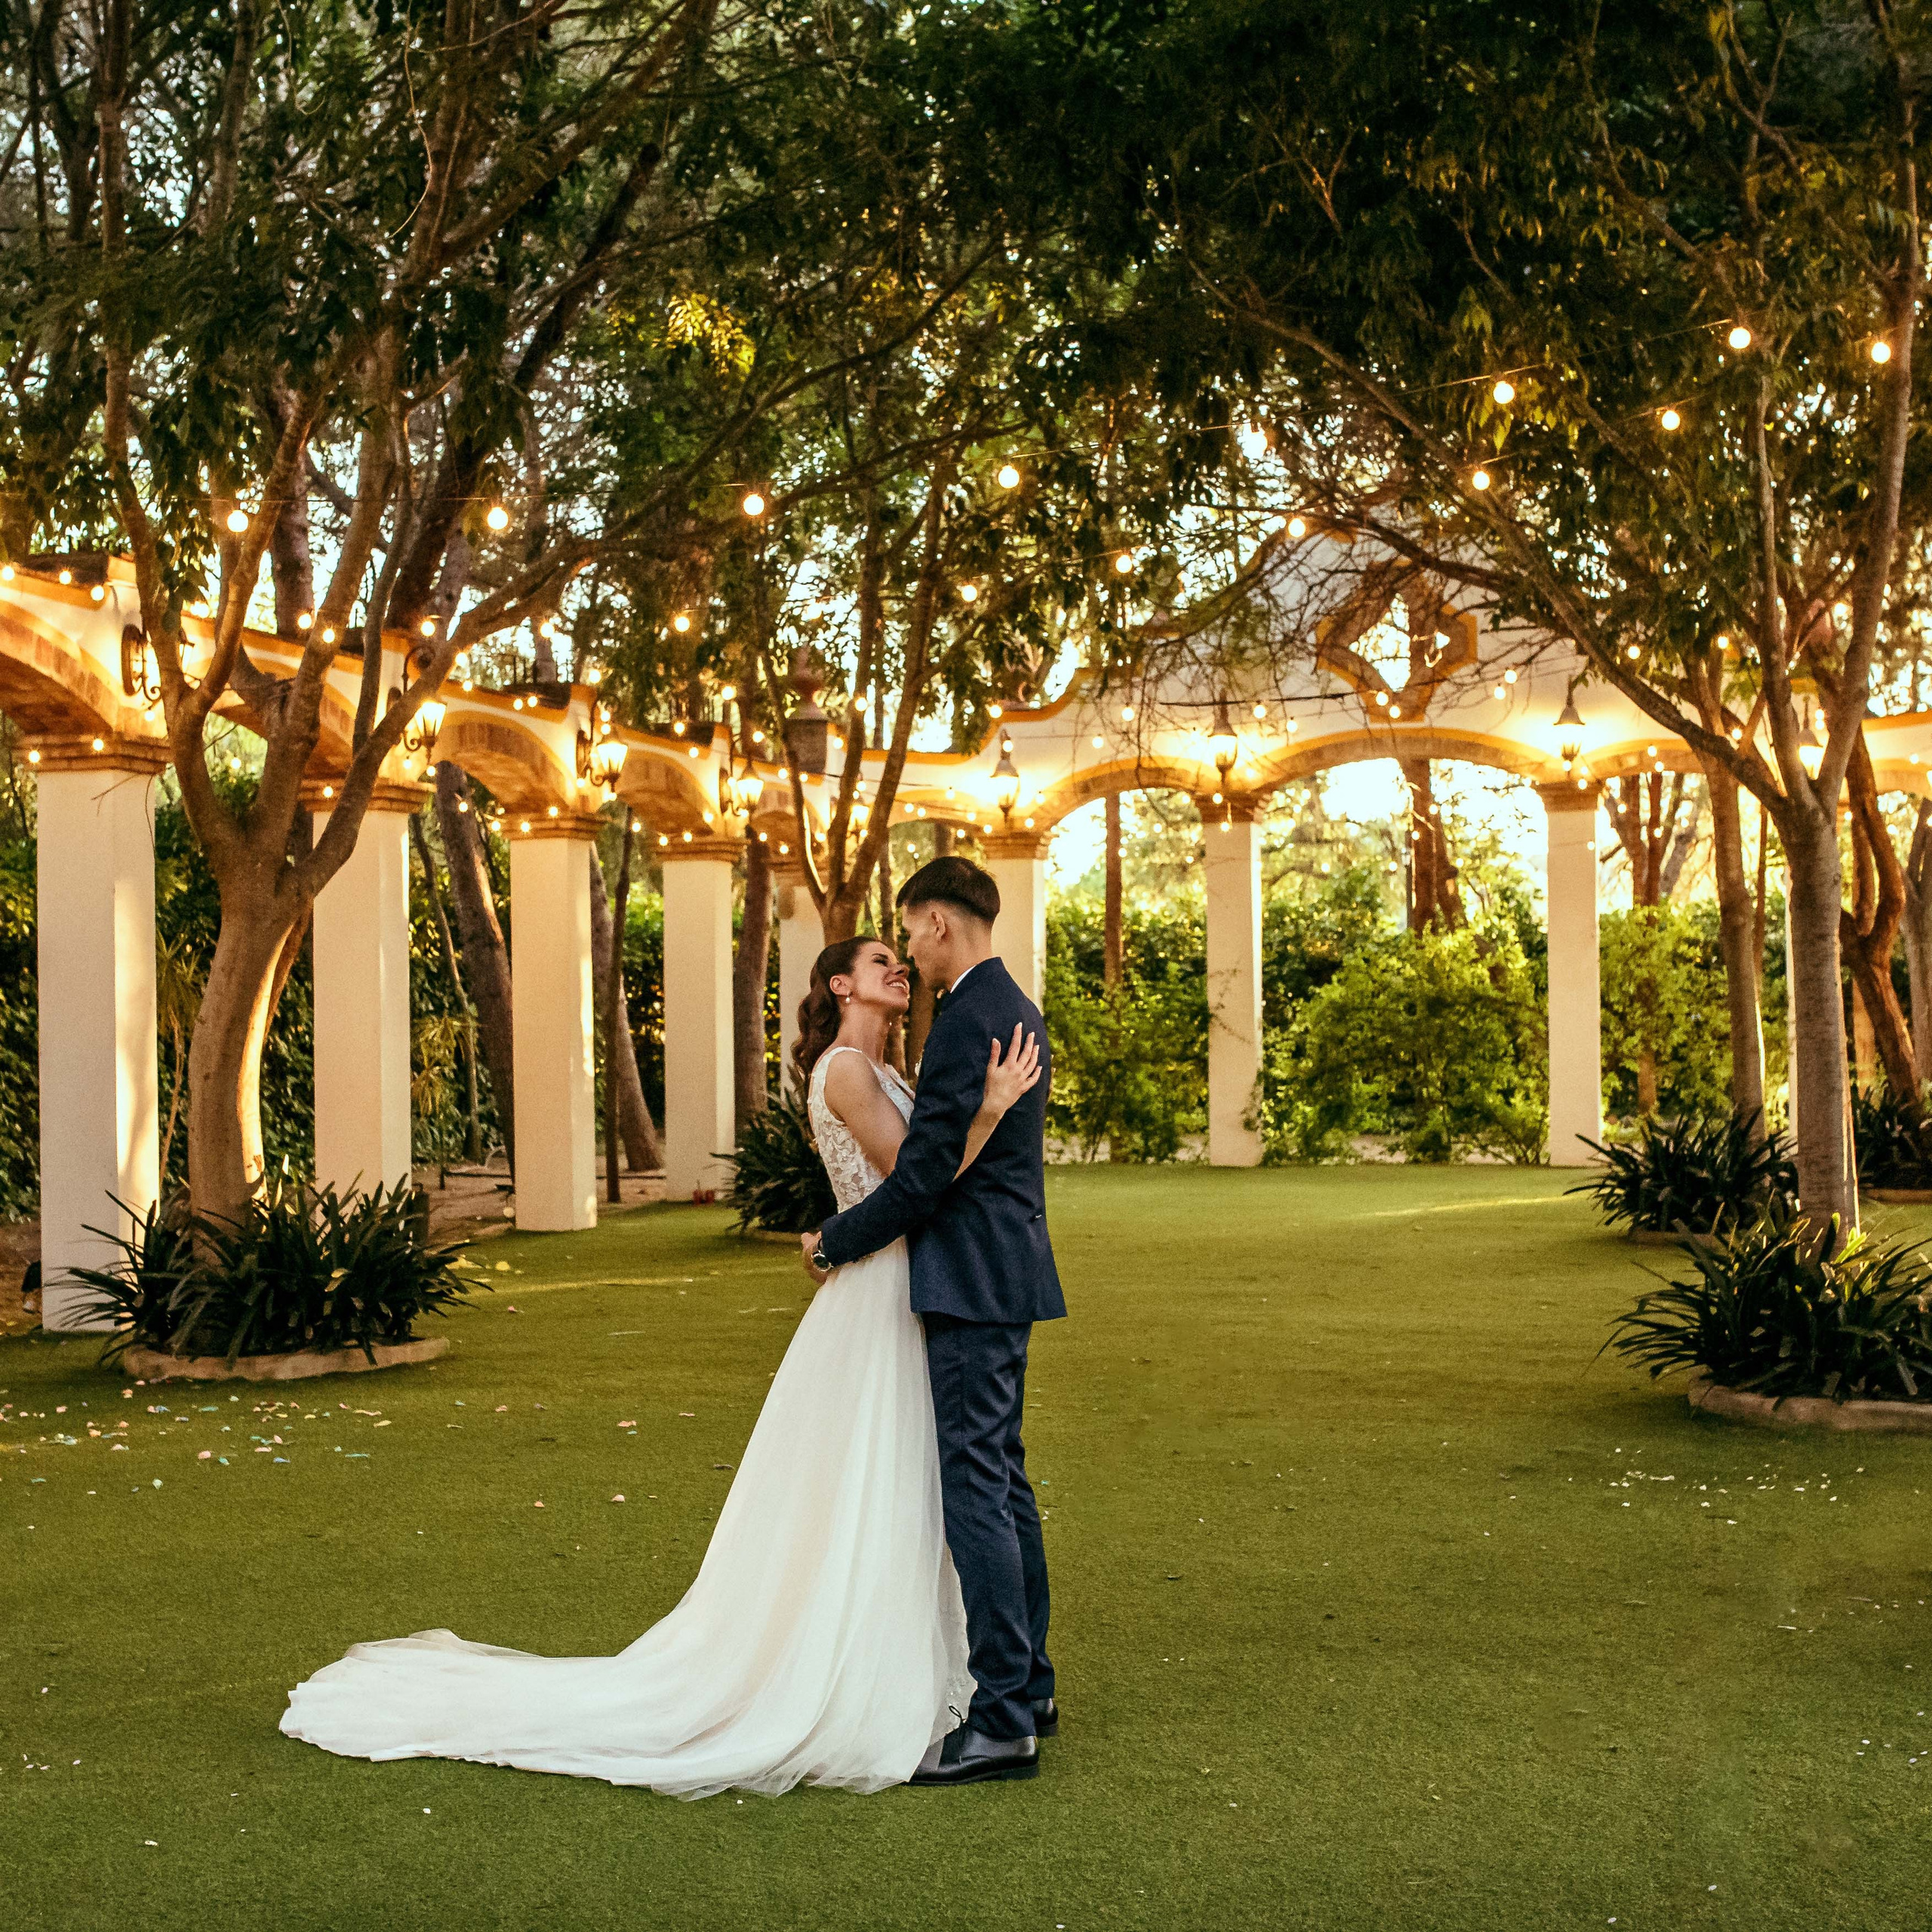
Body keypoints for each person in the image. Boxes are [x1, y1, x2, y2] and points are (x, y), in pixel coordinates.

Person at [278, 928, 1039, 1798]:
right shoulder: (847, 1071)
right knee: (881, 1475)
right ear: (841, 984)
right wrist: (985, 1113)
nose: (897, 968)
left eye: (898, 959)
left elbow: (919, 1176)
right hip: (879, 1288)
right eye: (878, 963)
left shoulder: (880, 1069)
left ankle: (924, 1662)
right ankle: (854, 1668)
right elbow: (918, 1177)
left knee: (899, 1481)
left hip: (899, 1281)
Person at [803, 854, 1065, 1787]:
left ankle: (1001, 1719)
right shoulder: (1011, 1006)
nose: (909, 947)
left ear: (940, 924)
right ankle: (1027, 1688)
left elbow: (921, 1177)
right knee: (1004, 1479)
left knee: (977, 1491)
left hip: (967, 1278)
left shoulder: (966, 1020)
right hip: (1007, 1271)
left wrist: (835, 1240)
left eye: (911, 929)